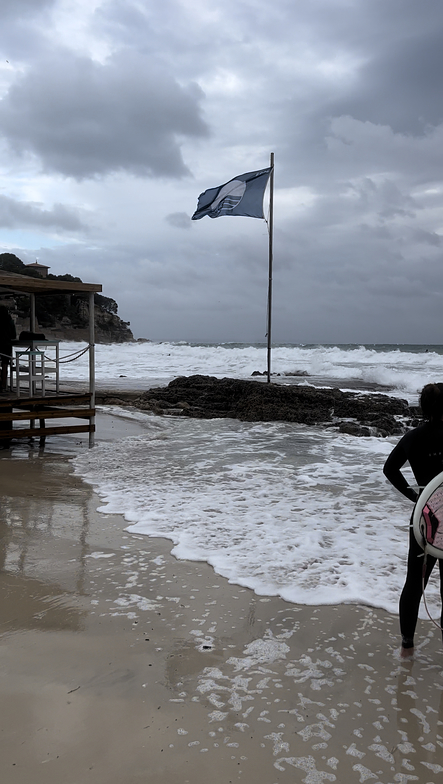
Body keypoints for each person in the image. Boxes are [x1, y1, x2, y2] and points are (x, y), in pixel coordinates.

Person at [383, 383, 443, 658]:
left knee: (414, 583)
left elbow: (389, 468)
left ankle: (407, 645)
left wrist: (416, 499)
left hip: (425, 520)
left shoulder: (413, 437)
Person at [0, 304, 16, 392]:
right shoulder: (10, 321)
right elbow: (13, 335)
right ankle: (3, 385)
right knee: (5, 365)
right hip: (6, 345)